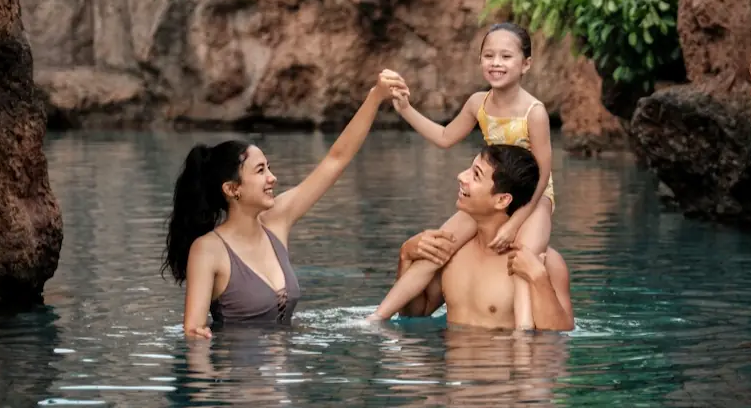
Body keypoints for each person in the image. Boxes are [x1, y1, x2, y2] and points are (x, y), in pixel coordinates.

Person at [163, 72, 407, 338]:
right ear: (232, 189)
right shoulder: (207, 250)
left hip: (286, 372)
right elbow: (194, 333)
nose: (272, 178)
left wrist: (375, 98)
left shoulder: (277, 219)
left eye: (270, 168)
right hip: (240, 375)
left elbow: (336, 160)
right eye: (260, 171)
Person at [369, 23, 555, 329]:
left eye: (506, 57)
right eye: (489, 55)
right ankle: (378, 316)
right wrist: (405, 109)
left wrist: (515, 222)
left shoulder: (534, 111)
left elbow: (544, 171)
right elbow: (444, 136)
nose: (496, 63)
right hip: (492, 192)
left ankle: (524, 335)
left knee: (524, 259)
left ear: (526, 64)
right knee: (437, 247)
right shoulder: (477, 103)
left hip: (533, 198)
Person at [390, 144, 573, 332]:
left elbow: (558, 337)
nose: (461, 176)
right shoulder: (452, 251)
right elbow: (414, 314)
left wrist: (538, 278)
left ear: (502, 200)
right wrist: (405, 257)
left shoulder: (546, 263)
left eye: (475, 175)